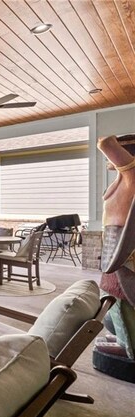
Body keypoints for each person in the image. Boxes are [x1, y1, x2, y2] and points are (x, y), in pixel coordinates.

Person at [96, 134, 135, 359]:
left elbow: (105, 143)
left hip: (123, 251)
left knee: (122, 298)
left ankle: (129, 347)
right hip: (113, 244)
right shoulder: (124, 177)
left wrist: (117, 144)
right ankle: (122, 338)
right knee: (114, 301)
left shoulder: (131, 174)